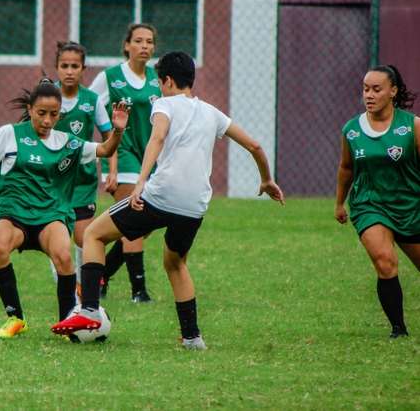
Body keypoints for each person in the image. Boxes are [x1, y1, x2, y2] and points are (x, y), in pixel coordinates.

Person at [51, 52, 285, 349]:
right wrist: (266, 179)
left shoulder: (164, 104)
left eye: (159, 83)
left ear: (168, 81)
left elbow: (157, 138)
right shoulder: (213, 112)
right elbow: (255, 144)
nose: (158, 88)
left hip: (161, 196)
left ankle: (89, 312)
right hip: (195, 206)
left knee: (95, 234)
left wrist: (140, 182)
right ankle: (192, 337)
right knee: (175, 263)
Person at [0, 78, 128, 338]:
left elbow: (104, 149)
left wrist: (117, 131)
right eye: (41, 114)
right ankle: (15, 318)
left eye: (54, 114)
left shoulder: (68, 143)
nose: (47, 120)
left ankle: (67, 320)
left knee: (64, 256)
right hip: (12, 213)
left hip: (50, 215)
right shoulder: (10, 134)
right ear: (30, 108)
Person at [335, 64, 420, 338]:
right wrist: (339, 203)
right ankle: (399, 329)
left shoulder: (412, 126)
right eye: (365, 89)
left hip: (410, 205)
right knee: (385, 260)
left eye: (376, 89)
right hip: (369, 204)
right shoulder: (352, 130)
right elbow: (346, 168)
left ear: (393, 91)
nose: (369, 95)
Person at [89, 23, 162, 302]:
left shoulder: (158, 79)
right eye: (139, 41)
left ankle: (103, 273)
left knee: (141, 224)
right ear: (127, 45)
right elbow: (92, 108)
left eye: (150, 41)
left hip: (151, 157)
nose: (145, 46)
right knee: (136, 215)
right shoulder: (110, 77)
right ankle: (139, 290)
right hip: (124, 156)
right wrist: (110, 163)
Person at [47, 41, 113, 287]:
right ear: (56, 67)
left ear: (84, 69)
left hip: (83, 180)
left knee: (83, 238)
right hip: (52, 180)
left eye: (75, 66)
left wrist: (111, 170)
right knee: (59, 238)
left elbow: (109, 139)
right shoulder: (47, 97)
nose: (70, 71)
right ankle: (67, 287)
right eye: (64, 65)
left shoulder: (92, 100)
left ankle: (83, 285)